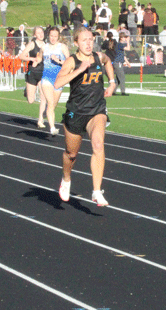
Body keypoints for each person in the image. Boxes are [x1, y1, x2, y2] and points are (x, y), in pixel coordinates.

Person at [54, 27, 116, 207]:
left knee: (98, 144)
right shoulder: (71, 61)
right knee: (71, 154)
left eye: (91, 39)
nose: (88, 43)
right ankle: (66, 179)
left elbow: (108, 61)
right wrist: (79, 70)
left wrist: (111, 83)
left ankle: (97, 191)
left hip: (96, 110)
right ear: (76, 43)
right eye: (84, 40)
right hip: (75, 113)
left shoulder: (99, 56)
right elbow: (58, 83)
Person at [40, 27, 69, 135]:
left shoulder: (62, 47)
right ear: (48, 35)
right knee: (50, 102)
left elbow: (69, 62)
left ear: (58, 37)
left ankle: (47, 113)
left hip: (58, 79)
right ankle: (52, 128)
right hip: (46, 78)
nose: (53, 38)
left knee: (53, 105)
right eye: (51, 36)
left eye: (55, 36)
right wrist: (33, 61)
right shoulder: (44, 47)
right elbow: (38, 58)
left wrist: (58, 60)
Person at [18, 26, 47, 129]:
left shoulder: (46, 45)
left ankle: (40, 120)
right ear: (35, 35)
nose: (41, 34)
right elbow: (21, 56)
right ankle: (27, 90)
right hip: (32, 72)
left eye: (42, 32)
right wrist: (32, 58)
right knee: (31, 100)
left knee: (44, 97)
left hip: (43, 72)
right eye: (38, 33)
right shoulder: (32, 44)